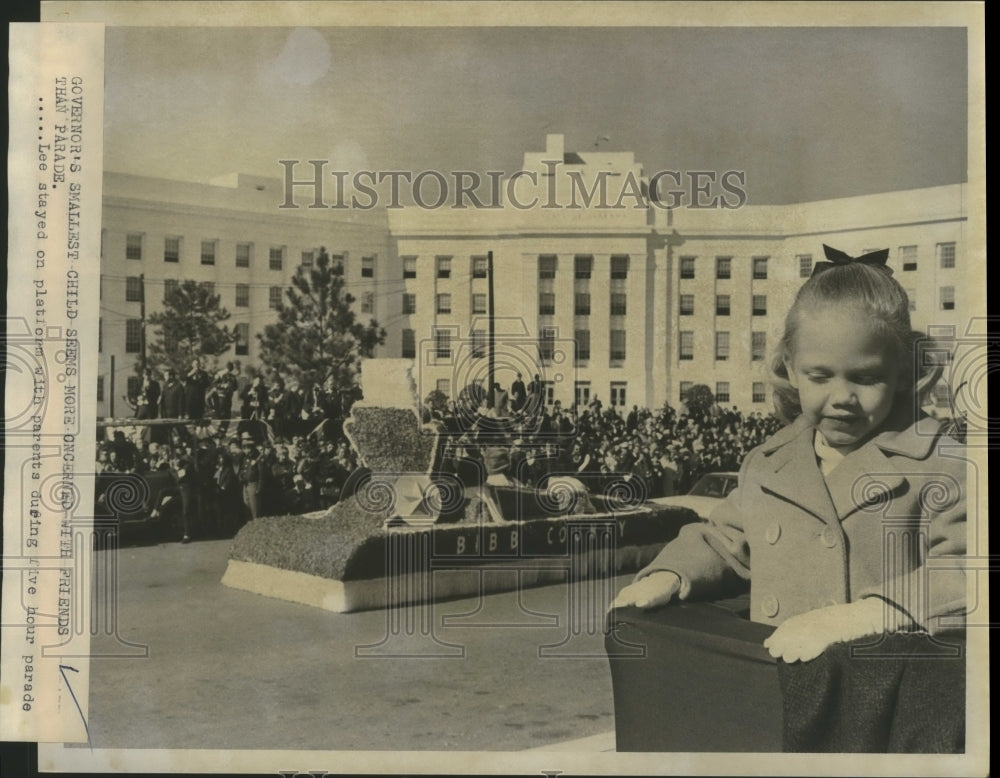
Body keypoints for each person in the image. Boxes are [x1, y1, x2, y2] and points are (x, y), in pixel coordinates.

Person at [612, 246, 966, 666]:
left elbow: (966, 571)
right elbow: (726, 540)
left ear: (903, 373)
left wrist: (875, 612)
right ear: (791, 370)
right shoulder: (770, 463)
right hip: (778, 686)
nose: (842, 399)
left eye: (866, 378)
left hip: (886, 693)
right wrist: (670, 573)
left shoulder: (942, 462)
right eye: (820, 376)